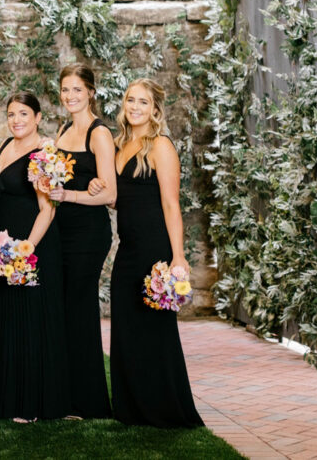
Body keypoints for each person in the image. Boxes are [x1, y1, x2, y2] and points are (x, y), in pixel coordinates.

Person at [108, 79, 203, 428]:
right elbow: (121, 199)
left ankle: (166, 409)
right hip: (128, 248)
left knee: (155, 331)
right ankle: (132, 409)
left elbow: (170, 203)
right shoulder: (120, 145)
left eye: (143, 102)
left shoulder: (160, 146)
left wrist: (177, 257)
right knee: (127, 328)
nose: (134, 107)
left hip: (155, 250)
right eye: (130, 100)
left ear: (155, 109)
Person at [0, 91, 69, 422]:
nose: (17, 120)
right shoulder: (6, 147)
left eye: (24, 114)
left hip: (31, 245)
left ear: (38, 117)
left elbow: (47, 210)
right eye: (11, 114)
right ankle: (7, 398)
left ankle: (31, 403)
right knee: (8, 319)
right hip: (5, 244)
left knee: (29, 319)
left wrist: (27, 250)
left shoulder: (45, 151)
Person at [47, 64, 116, 419]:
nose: (70, 96)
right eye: (65, 90)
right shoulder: (62, 129)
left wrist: (68, 195)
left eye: (77, 89)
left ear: (91, 91)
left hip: (88, 232)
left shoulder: (99, 133)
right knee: (63, 310)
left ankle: (88, 402)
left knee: (80, 308)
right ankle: (66, 394)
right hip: (61, 229)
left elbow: (110, 193)